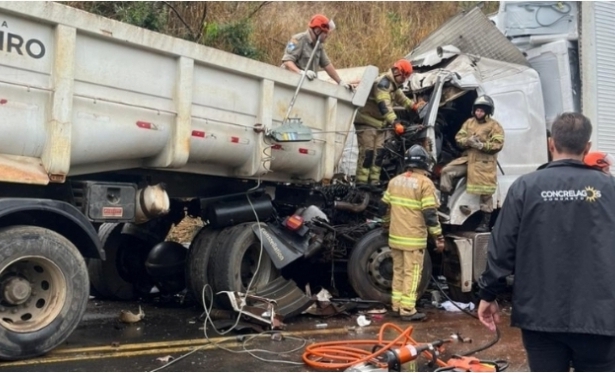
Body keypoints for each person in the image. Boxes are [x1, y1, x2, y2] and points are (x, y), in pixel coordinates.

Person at [477, 112, 615, 371]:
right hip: (600, 317)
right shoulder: (609, 189)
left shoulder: (525, 187)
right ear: (587, 147)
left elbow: (502, 245)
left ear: (551, 143)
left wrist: (488, 293)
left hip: (540, 316)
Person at [381, 145, 445, 321]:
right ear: (425, 163)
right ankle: (408, 309)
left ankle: (396, 306)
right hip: (413, 239)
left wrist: (386, 226)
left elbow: (385, 208)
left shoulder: (395, 181)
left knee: (399, 271)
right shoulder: (425, 183)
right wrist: (438, 237)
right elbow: (430, 214)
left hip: (395, 236)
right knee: (413, 272)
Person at [354, 59, 425, 186]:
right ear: (397, 72)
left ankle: (374, 183)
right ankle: (361, 184)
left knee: (378, 155)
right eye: (404, 76)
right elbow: (385, 106)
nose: (404, 80)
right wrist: (395, 123)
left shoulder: (393, 86)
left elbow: (401, 98)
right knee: (368, 154)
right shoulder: (382, 84)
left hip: (379, 126)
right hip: (367, 123)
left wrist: (413, 106)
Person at [439, 95, 504, 232]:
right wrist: (468, 141)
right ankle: (443, 204)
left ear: (487, 112)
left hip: (484, 162)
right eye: (477, 110)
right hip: (468, 159)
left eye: (482, 111)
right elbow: (459, 138)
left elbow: (498, 144)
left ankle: (485, 222)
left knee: (486, 193)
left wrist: (482, 145)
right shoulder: (469, 123)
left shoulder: (494, 126)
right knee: (447, 171)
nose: (478, 113)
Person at [281, 14, 352, 90]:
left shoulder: (318, 46)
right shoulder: (297, 39)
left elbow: (327, 64)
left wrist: (340, 82)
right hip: (289, 84)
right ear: (318, 31)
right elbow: (287, 61)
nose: (327, 36)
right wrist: (301, 73)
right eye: (325, 33)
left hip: (305, 86)